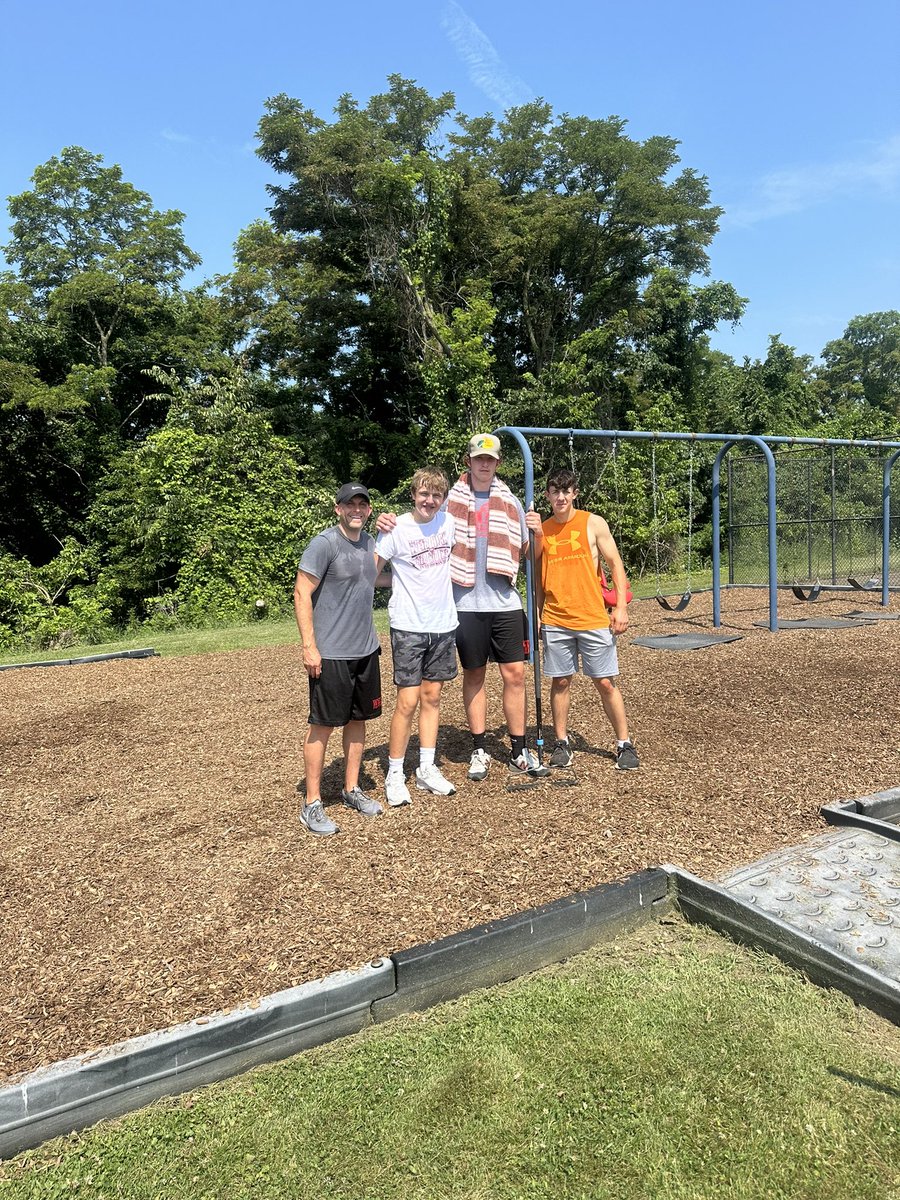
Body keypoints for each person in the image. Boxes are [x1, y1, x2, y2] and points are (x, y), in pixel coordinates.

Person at [446, 433, 547, 781]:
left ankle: (519, 750)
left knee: (514, 674)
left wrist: (538, 533)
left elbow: (530, 554)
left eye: (490, 459)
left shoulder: (511, 502)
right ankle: (479, 748)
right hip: (465, 603)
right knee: (474, 674)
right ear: (468, 462)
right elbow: (424, 533)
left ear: (498, 463)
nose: (484, 464)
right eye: (478, 458)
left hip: (505, 602)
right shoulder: (450, 502)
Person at [525, 467, 639, 770]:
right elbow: (535, 575)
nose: (560, 497)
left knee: (604, 682)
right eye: (555, 491)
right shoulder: (543, 530)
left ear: (575, 493)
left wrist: (621, 608)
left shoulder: (592, 523)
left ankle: (624, 743)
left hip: (591, 616)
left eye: (566, 491)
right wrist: (536, 613)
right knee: (561, 680)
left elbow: (615, 564)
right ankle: (561, 742)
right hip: (555, 618)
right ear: (547, 495)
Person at [293, 482, 385, 836]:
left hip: (365, 649)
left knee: (359, 720)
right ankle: (312, 803)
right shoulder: (324, 544)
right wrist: (308, 646)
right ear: (338, 509)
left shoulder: (371, 544)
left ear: (369, 509)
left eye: (363, 504)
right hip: (330, 653)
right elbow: (302, 592)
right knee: (323, 724)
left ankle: (351, 789)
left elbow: (372, 581)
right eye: (350, 505)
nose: (356, 510)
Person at [374, 467, 458, 806]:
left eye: (436, 495)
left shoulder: (449, 523)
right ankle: (395, 772)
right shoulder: (396, 529)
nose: (430, 500)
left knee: (432, 699)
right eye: (424, 494)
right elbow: (370, 571)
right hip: (408, 625)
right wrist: (400, 582)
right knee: (407, 702)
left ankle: (426, 767)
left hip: (443, 623)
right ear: (413, 495)